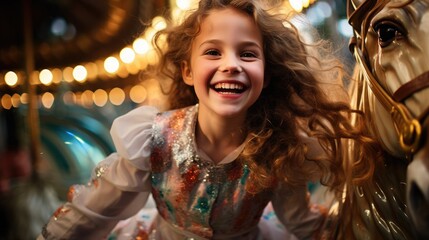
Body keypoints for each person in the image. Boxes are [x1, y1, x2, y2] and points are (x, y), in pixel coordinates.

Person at [39, 0, 375, 239]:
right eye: (213, 52)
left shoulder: (279, 147)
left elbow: (302, 221)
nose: (231, 64)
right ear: (187, 71)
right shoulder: (153, 138)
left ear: (267, 75)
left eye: (247, 53)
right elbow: (96, 211)